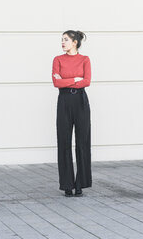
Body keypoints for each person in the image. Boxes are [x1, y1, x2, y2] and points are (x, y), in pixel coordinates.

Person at [52, 30, 92, 197]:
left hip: (81, 102)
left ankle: (80, 184)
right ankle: (67, 184)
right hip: (64, 101)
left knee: (82, 142)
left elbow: (87, 81)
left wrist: (67, 81)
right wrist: (75, 79)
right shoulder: (57, 59)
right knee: (64, 142)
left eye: (66, 40)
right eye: (62, 40)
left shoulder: (85, 59)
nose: (63, 42)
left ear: (75, 42)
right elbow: (56, 82)